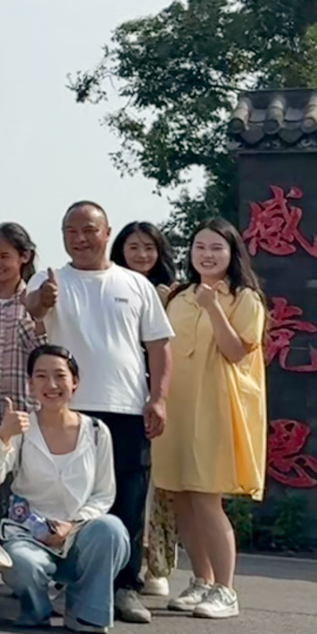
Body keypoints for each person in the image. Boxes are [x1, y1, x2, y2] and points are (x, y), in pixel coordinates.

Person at [25, 202, 173, 626]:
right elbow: (32, 310)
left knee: (128, 498)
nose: (80, 238)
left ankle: (124, 586)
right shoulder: (50, 279)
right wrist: (42, 301)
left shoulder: (135, 283)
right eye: (70, 231)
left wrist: (158, 398)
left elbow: (159, 346)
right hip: (69, 411)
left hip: (125, 406)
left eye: (89, 230)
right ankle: (69, 582)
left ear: (107, 233)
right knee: (69, 501)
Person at [153, 220, 267, 621]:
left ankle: (226, 588)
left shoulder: (244, 298)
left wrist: (213, 306)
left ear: (232, 253)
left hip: (216, 406)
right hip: (178, 406)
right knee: (181, 495)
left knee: (206, 497)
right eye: (199, 246)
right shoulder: (179, 296)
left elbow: (236, 352)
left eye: (216, 247)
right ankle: (201, 580)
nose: (207, 254)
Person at [0, 344, 129, 634]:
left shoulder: (96, 431)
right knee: (21, 562)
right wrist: (3, 436)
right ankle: (36, 609)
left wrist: (72, 525)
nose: (51, 385)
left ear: (75, 382)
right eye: (41, 376)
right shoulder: (22, 429)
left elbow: (103, 494)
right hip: (28, 534)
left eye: (60, 376)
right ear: (30, 384)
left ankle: (85, 611)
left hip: (79, 535)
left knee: (111, 530)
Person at [112, 219, 181, 599]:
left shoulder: (174, 293)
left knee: (156, 487)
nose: (141, 255)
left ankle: (157, 563)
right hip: (121, 396)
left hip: (160, 395)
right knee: (124, 487)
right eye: (133, 247)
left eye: (149, 247)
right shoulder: (110, 286)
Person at [0, 222, 43, 434]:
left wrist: (38, 312)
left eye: (4, 256)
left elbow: (42, 352)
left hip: (24, 416)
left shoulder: (35, 300)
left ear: (24, 257)